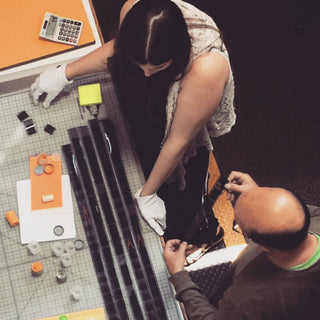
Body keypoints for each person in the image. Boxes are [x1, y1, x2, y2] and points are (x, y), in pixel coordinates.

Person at [30, 0, 236, 248]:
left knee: (182, 200)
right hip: (155, 105)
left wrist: (147, 194)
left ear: (178, 52)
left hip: (184, 124)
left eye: (157, 66)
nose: (147, 72)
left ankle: (200, 232)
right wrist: (64, 73)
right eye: (140, 64)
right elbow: (117, 50)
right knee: (145, 144)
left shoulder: (205, 68)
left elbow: (178, 140)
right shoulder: (134, 9)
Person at [163, 171, 320, 319]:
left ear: (262, 245)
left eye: (237, 225)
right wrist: (257, 196)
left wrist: (179, 275)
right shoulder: (313, 219)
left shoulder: (248, 301)